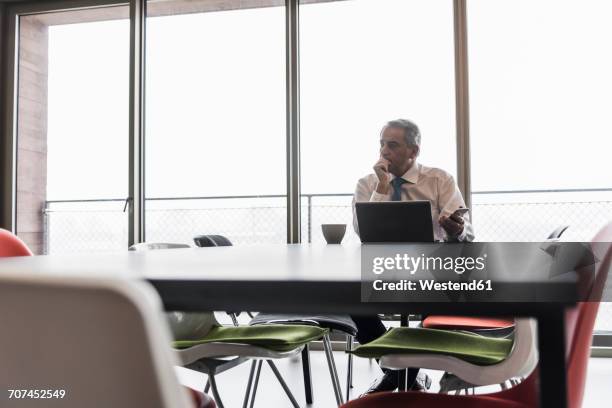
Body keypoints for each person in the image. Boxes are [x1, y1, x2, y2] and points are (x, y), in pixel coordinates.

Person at [351, 118, 474, 395]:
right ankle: (403, 378)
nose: (384, 151)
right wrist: (382, 187)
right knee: (349, 298)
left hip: (430, 270)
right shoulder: (367, 183)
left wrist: (456, 229)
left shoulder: (439, 179)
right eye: (381, 144)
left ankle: (397, 377)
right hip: (379, 269)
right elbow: (362, 231)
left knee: (441, 300)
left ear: (413, 151)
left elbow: (466, 232)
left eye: (392, 145)